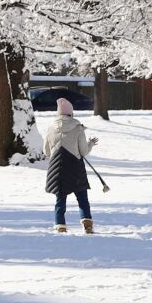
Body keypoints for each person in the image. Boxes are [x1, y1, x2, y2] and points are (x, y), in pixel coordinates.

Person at [44, 98, 97, 233]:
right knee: (82, 197)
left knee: (60, 198)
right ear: (71, 113)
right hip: (75, 168)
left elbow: (46, 152)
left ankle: (60, 224)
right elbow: (84, 151)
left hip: (57, 168)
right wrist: (90, 143)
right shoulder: (78, 128)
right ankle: (87, 221)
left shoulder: (50, 129)